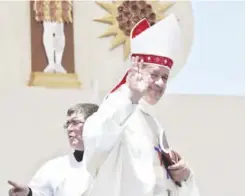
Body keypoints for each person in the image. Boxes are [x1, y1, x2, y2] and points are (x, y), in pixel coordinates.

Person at [83, 14, 200, 196]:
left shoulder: (153, 123)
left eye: (165, 77)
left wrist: (185, 176)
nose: (160, 83)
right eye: (154, 75)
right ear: (135, 72)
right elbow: (96, 144)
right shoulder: (117, 106)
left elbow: (160, 181)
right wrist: (131, 99)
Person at [8, 103, 99, 196]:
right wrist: (28, 193)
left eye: (75, 122)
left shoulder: (110, 163)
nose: (69, 128)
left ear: (93, 125)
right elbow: (40, 193)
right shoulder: (55, 167)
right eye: (67, 124)